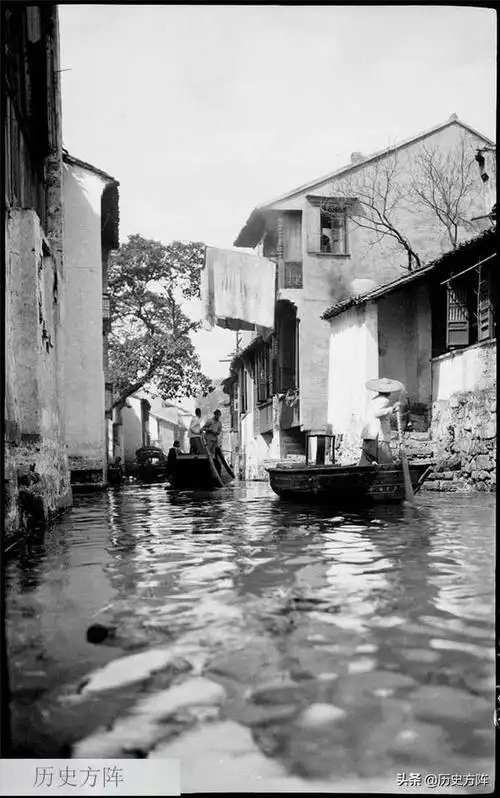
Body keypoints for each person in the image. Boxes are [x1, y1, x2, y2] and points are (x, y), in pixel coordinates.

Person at [359, 379, 402, 466]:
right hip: (378, 433)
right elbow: (377, 413)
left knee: (369, 458)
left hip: (370, 431)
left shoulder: (374, 399)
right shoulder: (384, 400)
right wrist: (391, 409)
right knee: (385, 456)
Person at [202, 409, 223, 473]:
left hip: (215, 439)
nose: (218, 417)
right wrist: (209, 430)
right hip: (208, 438)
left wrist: (216, 432)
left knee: (214, 454)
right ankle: (207, 466)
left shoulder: (219, 423)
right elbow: (203, 428)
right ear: (215, 415)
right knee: (208, 453)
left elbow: (219, 431)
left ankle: (214, 467)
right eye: (217, 415)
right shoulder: (209, 421)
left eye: (219, 416)